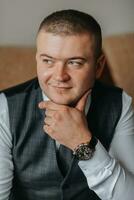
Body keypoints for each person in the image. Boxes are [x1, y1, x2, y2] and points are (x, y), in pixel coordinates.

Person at [0, 9, 134, 200]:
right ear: (37, 60)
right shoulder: (5, 107)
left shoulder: (119, 104)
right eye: (48, 61)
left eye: (74, 63)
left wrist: (81, 143)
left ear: (98, 66)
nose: (60, 76)